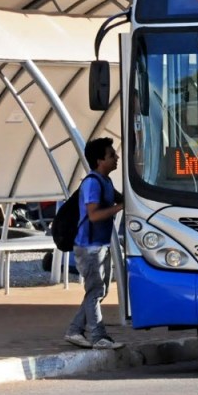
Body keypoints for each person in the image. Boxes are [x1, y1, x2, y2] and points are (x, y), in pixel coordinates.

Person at [63, 137, 126, 350]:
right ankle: (99, 336)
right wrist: (119, 208)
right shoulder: (92, 183)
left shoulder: (106, 181)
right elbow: (94, 215)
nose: (116, 157)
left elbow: (122, 199)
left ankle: (74, 330)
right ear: (100, 160)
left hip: (100, 245)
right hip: (89, 247)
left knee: (99, 290)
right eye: (111, 155)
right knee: (96, 290)